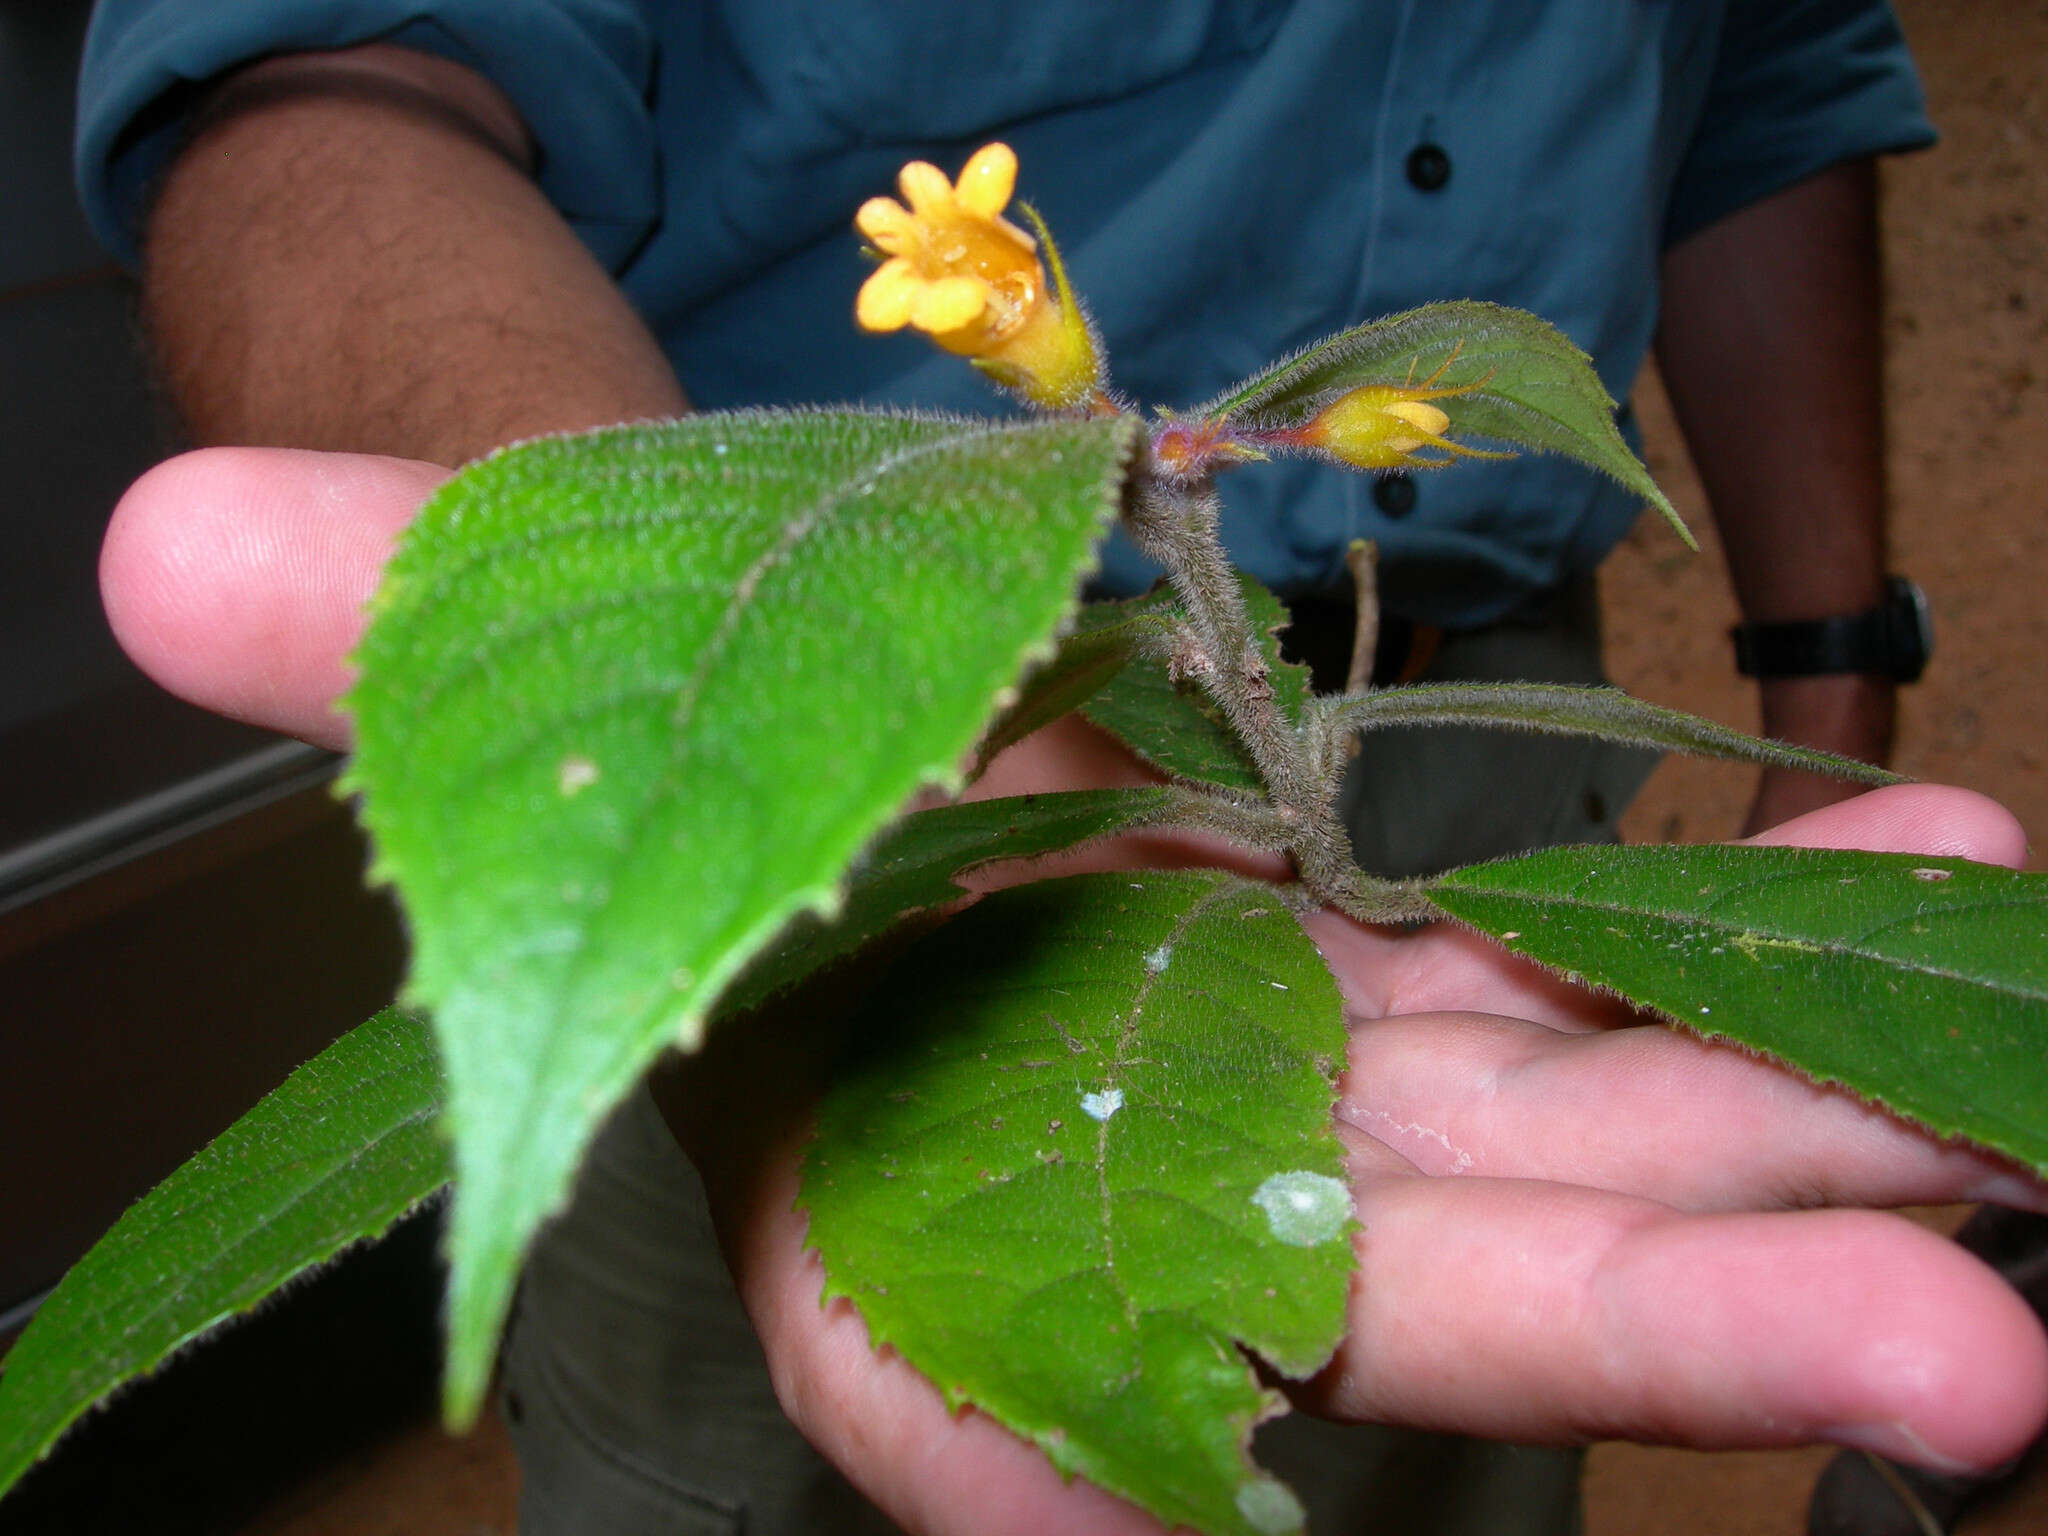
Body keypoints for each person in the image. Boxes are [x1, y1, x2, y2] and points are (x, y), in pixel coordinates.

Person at [73, 3, 2039, 1532]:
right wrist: (739, 714)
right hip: (916, 756)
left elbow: (1767, 87)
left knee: (1472, 1469)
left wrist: (1822, 673)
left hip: (1482, 716)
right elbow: (311, 78)